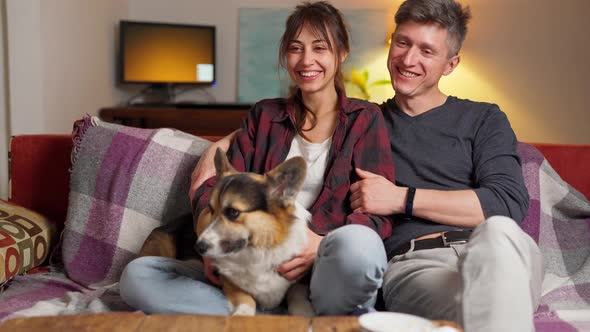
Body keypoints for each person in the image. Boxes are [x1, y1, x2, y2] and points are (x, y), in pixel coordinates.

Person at [192, 0, 544, 329]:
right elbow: (298, 125)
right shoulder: (366, 122)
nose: (408, 59)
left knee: (498, 236)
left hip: (497, 249)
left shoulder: (484, 119)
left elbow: (506, 204)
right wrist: (218, 145)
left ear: (451, 63)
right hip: (419, 265)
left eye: (426, 50)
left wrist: (400, 198)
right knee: (484, 303)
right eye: (402, 43)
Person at [121, 1, 396, 316]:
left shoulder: (366, 119)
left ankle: (285, 308)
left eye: (320, 48)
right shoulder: (264, 115)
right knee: (137, 277)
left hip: (320, 268)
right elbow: (216, 187)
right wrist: (212, 247)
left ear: (342, 53)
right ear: (285, 55)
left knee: (359, 245)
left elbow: (376, 213)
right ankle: (267, 313)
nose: (307, 60)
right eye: (296, 48)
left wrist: (318, 247)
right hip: (249, 268)